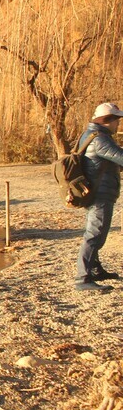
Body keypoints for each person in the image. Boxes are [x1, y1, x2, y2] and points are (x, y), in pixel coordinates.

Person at [75, 102, 123, 291]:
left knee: (97, 232)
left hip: (97, 191)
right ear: (107, 120)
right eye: (117, 120)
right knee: (94, 234)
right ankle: (83, 279)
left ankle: (95, 269)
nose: (118, 125)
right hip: (100, 193)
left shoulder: (92, 135)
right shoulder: (100, 139)